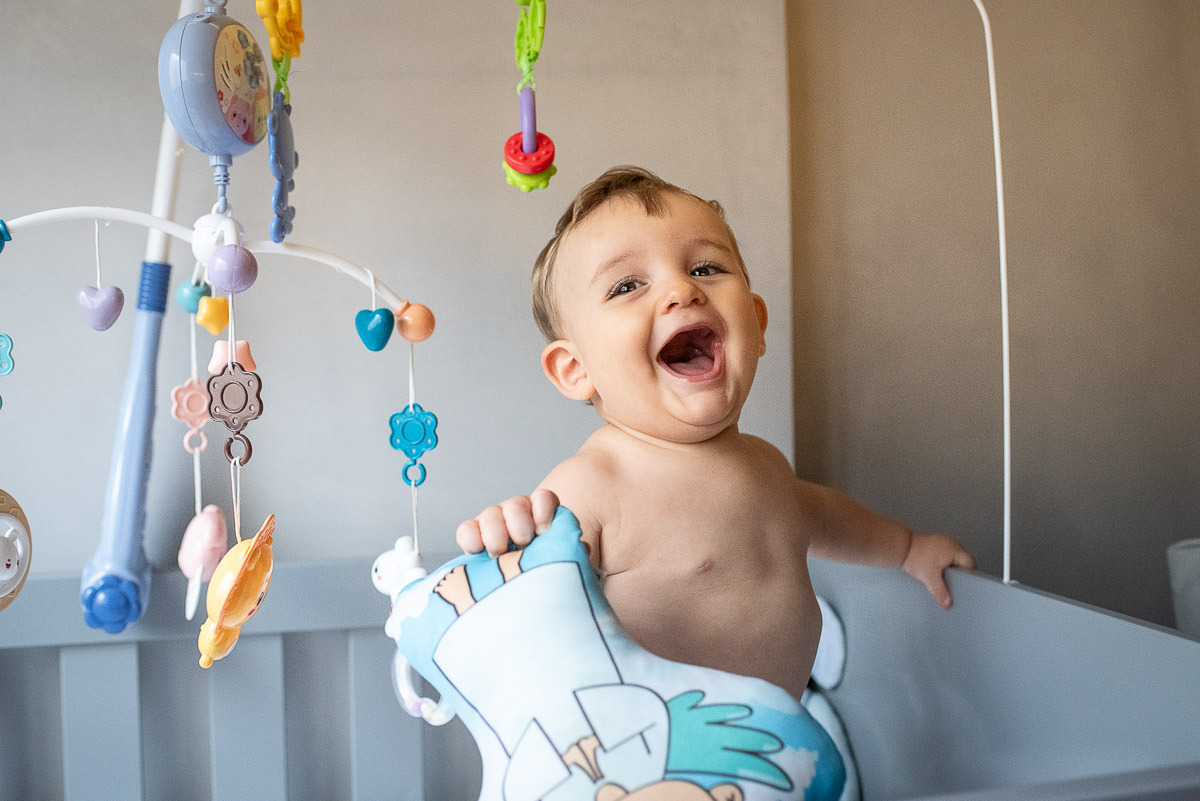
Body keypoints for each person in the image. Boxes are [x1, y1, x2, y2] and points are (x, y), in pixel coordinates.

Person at [457, 166, 975, 702]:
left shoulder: (766, 465)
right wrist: (507, 539)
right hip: (657, 764)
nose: (682, 289)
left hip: (773, 751)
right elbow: (524, 611)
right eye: (628, 285)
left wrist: (907, 548)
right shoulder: (593, 486)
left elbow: (821, 514)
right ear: (575, 369)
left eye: (705, 268)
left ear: (756, 324)